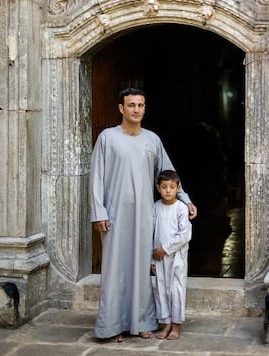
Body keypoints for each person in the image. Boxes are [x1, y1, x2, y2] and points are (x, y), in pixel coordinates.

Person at [89, 88, 197, 342]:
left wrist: (186, 200)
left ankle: (142, 322)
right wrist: (98, 212)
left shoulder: (152, 140)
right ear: (121, 108)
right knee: (115, 270)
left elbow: (168, 173)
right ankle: (112, 326)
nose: (136, 109)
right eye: (131, 105)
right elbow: (96, 177)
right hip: (114, 216)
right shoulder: (107, 138)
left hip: (145, 216)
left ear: (144, 108)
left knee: (141, 269)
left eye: (140, 105)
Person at [151, 170, 192, 340]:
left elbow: (184, 235)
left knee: (176, 290)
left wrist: (165, 249)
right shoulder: (155, 207)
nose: (168, 190)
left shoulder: (181, 208)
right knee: (160, 289)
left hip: (176, 258)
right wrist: (150, 258)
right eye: (164, 187)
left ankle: (176, 325)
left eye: (171, 187)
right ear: (158, 188)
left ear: (178, 188)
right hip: (158, 257)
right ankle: (166, 323)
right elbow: (150, 233)